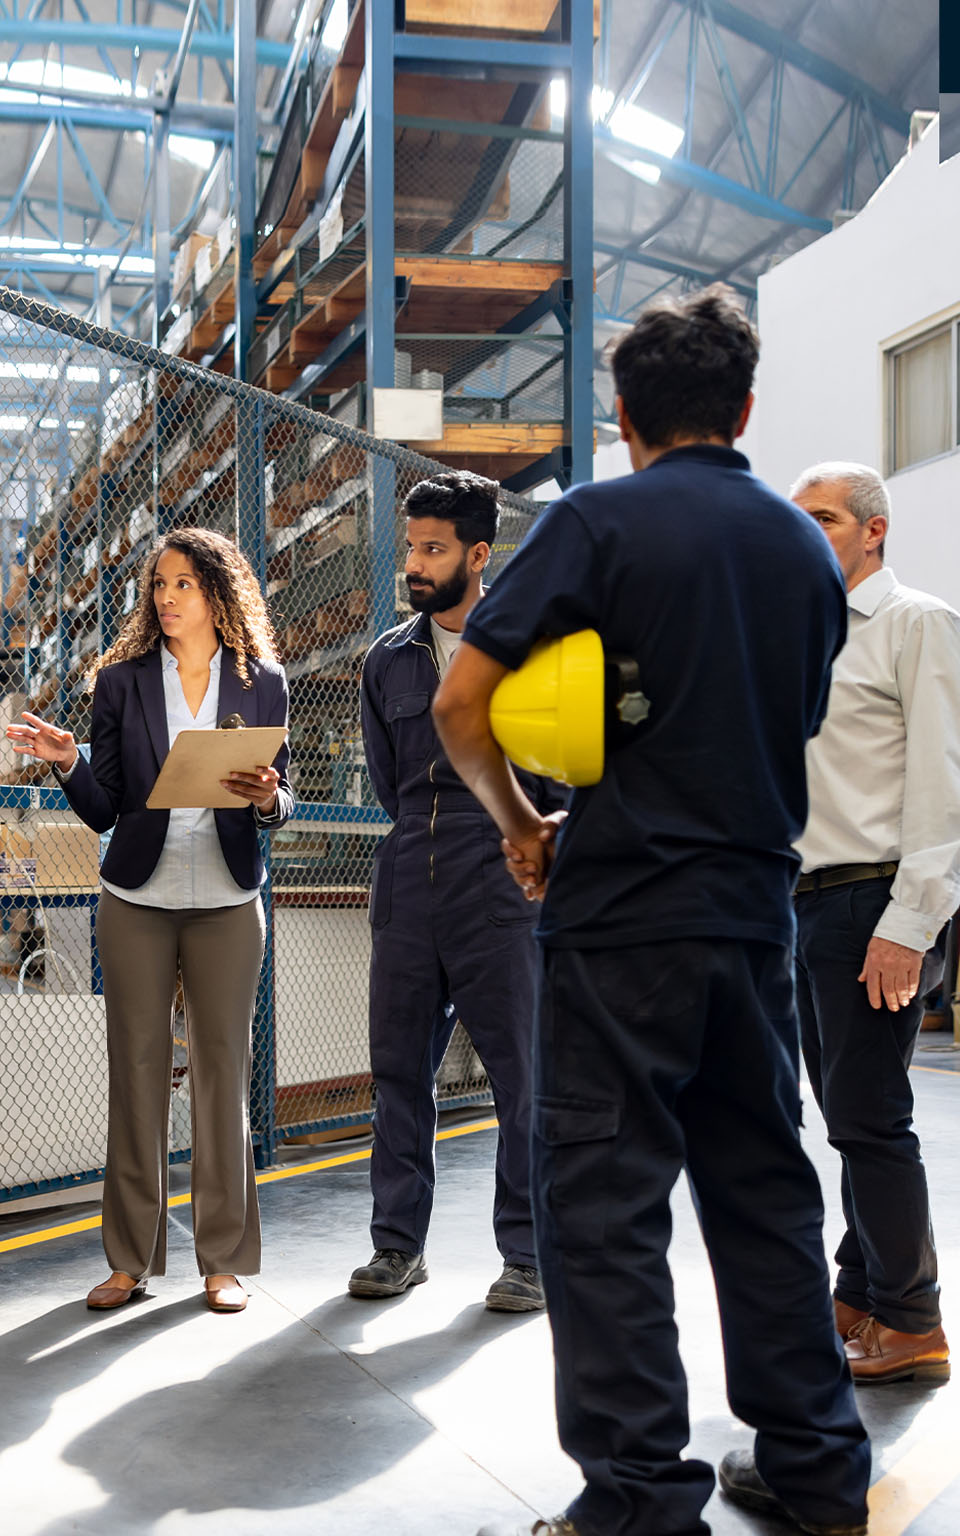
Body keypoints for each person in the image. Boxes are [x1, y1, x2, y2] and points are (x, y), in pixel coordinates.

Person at [433, 288, 871, 1536]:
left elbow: (464, 706)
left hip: (621, 919)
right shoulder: (803, 548)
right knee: (768, 1196)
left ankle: (637, 1499)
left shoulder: (594, 524)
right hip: (754, 918)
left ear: (624, 417)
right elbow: (790, 716)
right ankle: (816, 1468)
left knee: (608, 1209)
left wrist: (524, 826)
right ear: (743, 409)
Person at [6, 527, 292, 1315]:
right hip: (137, 897)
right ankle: (129, 1260)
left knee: (219, 1079)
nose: (165, 598)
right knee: (134, 1081)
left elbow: (280, 799)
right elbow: (106, 806)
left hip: (231, 900)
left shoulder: (262, 682)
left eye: (182, 586)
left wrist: (269, 796)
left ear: (217, 594)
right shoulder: (121, 683)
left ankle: (222, 1261)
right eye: (158, 585)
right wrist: (68, 763)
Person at [348, 472, 546, 1313]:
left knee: (521, 1077)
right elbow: (394, 788)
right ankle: (398, 1246)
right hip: (409, 874)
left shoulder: (533, 653)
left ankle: (530, 1255)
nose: (416, 564)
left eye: (434, 549)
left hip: (501, 875)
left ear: (477, 553)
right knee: (398, 1072)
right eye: (411, 546)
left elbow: (555, 776)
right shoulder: (386, 660)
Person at [788, 461, 958, 1385]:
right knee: (848, 1117)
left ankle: (914, 1321)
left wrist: (911, 922)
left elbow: (945, 784)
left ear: (873, 530)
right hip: (813, 905)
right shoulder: (809, 638)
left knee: (873, 1122)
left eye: (822, 518)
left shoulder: (914, 623)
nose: (804, 532)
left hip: (873, 903)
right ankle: (860, 1291)